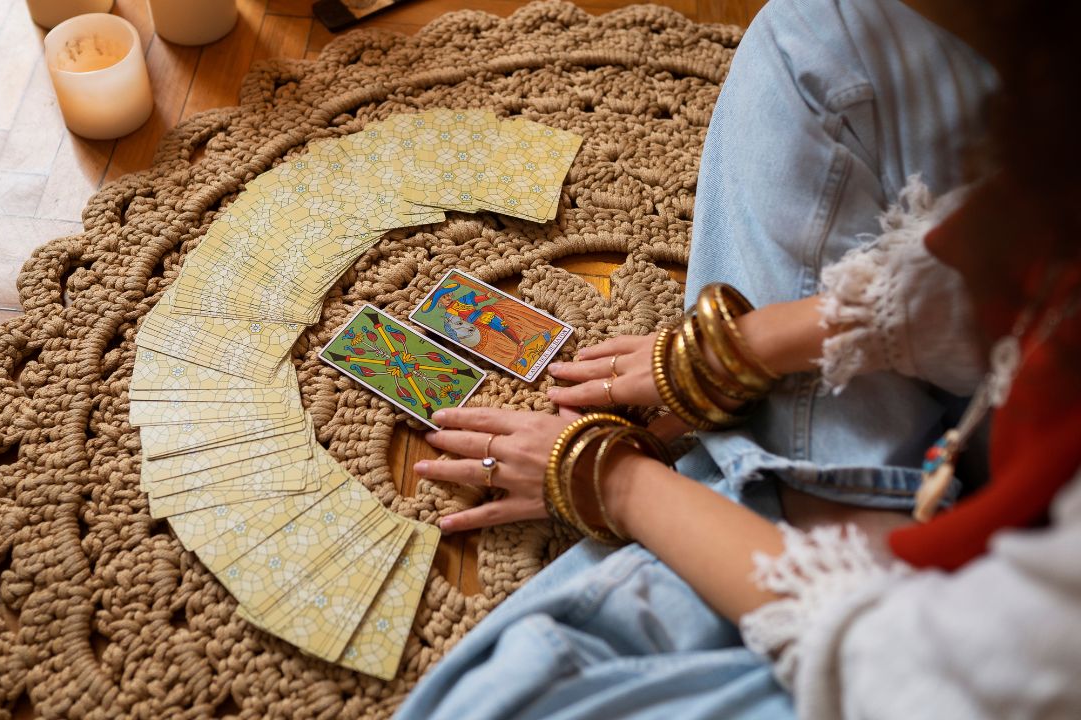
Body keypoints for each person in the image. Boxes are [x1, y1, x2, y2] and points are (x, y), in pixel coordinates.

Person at [395, 0, 1081, 717]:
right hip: (1016, 425)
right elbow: (1021, 262)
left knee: (497, 703)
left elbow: (892, 671)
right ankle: (804, 499)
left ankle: (806, 514)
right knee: (821, 31)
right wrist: (734, 352)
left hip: (947, 648)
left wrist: (611, 479)